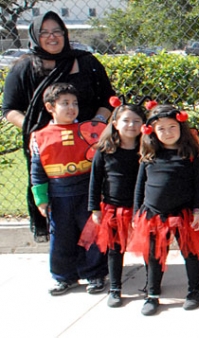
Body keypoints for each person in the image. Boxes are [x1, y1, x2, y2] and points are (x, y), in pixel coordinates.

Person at [2, 11, 115, 243]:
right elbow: (10, 110)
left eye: (57, 31)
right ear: (34, 36)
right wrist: (37, 133)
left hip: (88, 147)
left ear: (65, 33)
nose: (52, 37)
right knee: (57, 208)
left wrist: (96, 127)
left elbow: (108, 100)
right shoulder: (24, 67)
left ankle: (95, 262)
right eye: (44, 32)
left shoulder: (86, 62)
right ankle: (64, 265)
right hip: (49, 151)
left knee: (92, 202)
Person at [128, 104, 199, 316]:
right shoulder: (150, 155)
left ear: (181, 127)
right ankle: (152, 294)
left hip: (183, 214)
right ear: (152, 131)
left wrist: (198, 211)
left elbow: (198, 186)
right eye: (161, 128)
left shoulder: (191, 155)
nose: (167, 132)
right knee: (154, 255)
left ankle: (194, 291)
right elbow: (140, 187)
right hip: (154, 214)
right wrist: (137, 212)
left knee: (190, 253)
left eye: (172, 127)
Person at [30, 83, 108, 295]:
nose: (71, 107)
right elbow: (37, 171)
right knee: (61, 238)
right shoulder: (39, 136)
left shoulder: (90, 131)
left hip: (87, 194)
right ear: (50, 107)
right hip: (59, 196)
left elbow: (100, 165)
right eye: (64, 103)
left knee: (91, 235)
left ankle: (95, 274)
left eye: (74, 103)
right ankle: (63, 276)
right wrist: (41, 199)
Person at [86, 96, 146, 307]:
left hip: (142, 208)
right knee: (115, 248)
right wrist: (94, 207)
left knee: (148, 246)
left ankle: (152, 283)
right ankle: (115, 288)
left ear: (144, 125)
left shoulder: (147, 151)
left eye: (137, 121)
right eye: (126, 121)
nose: (131, 125)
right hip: (114, 207)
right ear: (115, 124)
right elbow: (95, 181)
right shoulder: (105, 150)